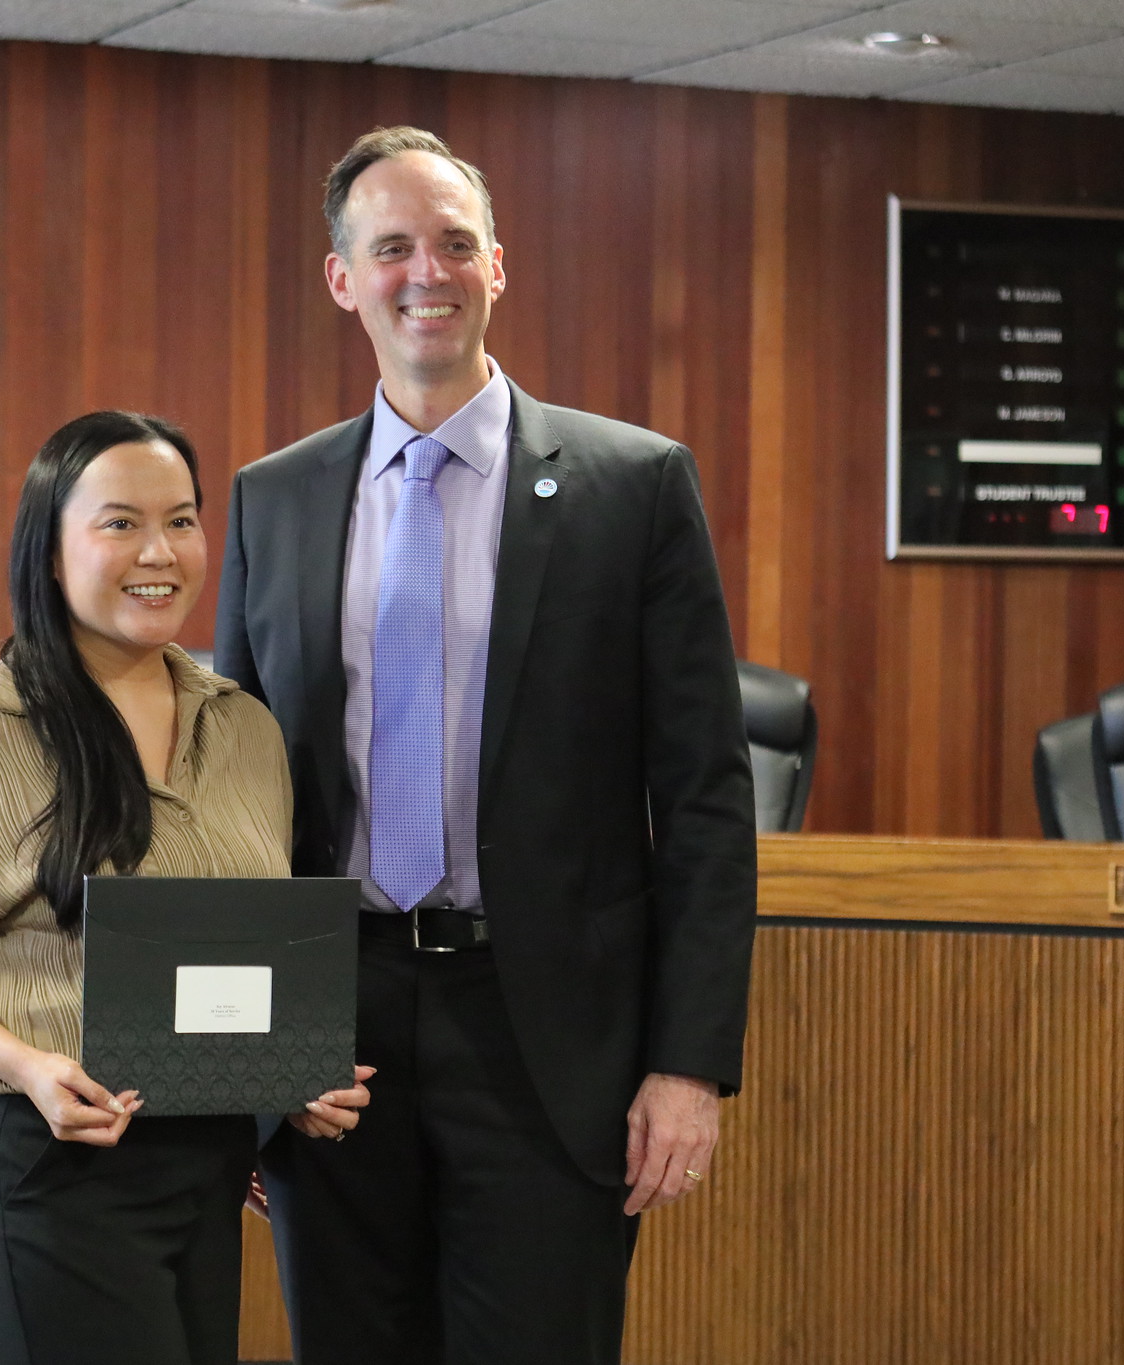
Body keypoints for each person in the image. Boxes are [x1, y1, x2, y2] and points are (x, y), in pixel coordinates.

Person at [214, 128, 758, 1365]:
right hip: (328, 1043)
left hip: (547, 1048)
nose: (428, 272)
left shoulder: (635, 486)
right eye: (392, 246)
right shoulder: (274, 499)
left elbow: (706, 802)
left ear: (498, 267)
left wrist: (688, 1066)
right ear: (341, 279)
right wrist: (242, 1071)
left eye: (455, 243)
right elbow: (227, 803)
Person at [0, 410, 371, 1365]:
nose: (159, 552)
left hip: (209, 1174)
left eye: (182, 520)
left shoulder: (246, 730)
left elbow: (248, 941)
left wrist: (293, 1074)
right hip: (56, 1175)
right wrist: (29, 1065)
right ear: (50, 553)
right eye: (120, 522)